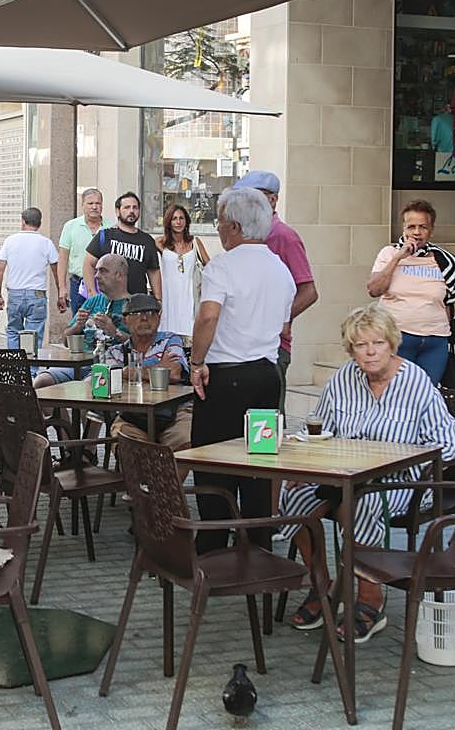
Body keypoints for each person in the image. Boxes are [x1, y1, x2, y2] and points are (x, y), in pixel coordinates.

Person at [278, 304, 455, 643]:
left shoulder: (416, 382)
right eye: (361, 345)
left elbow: (448, 445)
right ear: (351, 350)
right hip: (340, 475)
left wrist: (406, 461)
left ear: (392, 344)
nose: (371, 351)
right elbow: (319, 429)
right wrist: (303, 462)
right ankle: (322, 586)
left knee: (361, 503)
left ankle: (369, 596)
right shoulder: (344, 379)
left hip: (398, 483)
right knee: (293, 496)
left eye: (378, 343)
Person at [188, 187, 295, 553]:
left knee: (215, 461)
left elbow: (208, 316)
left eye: (219, 223)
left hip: (226, 375)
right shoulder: (280, 269)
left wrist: (196, 361)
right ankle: (258, 540)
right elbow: (283, 327)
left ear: (233, 226)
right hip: (265, 375)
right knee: (259, 461)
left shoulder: (222, 266)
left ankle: (214, 541)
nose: (218, 230)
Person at [366, 200, 455, 387]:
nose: (417, 233)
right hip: (397, 337)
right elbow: (374, 289)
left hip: (435, 340)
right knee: (396, 393)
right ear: (403, 228)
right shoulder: (389, 253)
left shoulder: (442, 258)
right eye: (411, 227)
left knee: (425, 394)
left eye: (423, 227)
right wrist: (398, 257)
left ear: (431, 230)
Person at [233, 171, 318, 410]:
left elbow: (309, 291)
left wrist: (280, 318)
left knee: (266, 420)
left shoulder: (283, 236)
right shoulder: (245, 235)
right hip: (244, 343)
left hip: (272, 346)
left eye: (251, 198)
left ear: (272, 200)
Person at [104, 293, 192, 452]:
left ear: (159, 317)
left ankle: (164, 478)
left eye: (151, 313)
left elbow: (173, 374)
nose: (144, 318)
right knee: (125, 444)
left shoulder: (170, 340)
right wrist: (158, 368)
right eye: (136, 314)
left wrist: (130, 372)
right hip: (133, 416)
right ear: (125, 320)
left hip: (175, 412)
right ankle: (145, 478)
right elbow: (107, 381)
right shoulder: (115, 352)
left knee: (184, 441)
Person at [34, 253, 132, 388]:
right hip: (78, 364)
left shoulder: (133, 305)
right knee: (41, 382)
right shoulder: (93, 301)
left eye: (103, 271)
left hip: (109, 366)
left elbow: (140, 345)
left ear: (119, 275)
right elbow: (65, 341)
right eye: (96, 271)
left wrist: (114, 332)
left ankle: (81, 409)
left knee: (85, 389)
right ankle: (60, 410)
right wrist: (77, 326)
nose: (96, 276)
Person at [0, 207, 63, 350]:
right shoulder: (46, 243)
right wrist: (61, 292)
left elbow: (0, 269)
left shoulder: (10, 241)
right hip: (37, 295)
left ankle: (15, 368)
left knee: (13, 331)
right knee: (33, 335)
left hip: (15, 294)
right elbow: (57, 271)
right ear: (39, 223)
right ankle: (31, 370)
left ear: (23, 222)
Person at [83, 191, 161, 301]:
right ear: (117, 211)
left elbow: (153, 271)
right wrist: (92, 293)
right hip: (108, 302)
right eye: (127, 207)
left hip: (137, 303)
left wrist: (158, 299)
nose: (131, 211)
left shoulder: (147, 241)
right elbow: (88, 264)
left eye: (135, 208)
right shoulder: (105, 236)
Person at [155, 203, 210, 338]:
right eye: (174, 218)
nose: (178, 222)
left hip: (190, 294)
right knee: (168, 336)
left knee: (191, 335)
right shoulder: (159, 243)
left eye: (181, 218)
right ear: (169, 222)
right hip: (169, 296)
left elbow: (211, 267)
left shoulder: (195, 242)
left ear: (186, 221)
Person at [58, 188, 113, 313]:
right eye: (90, 203)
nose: (94, 207)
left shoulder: (111, 228)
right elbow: (62, 259)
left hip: (105, 285)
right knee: (78, 324)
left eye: (98, 203)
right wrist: (62, 287)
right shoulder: (70, 227)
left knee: (104, 323)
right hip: (78, 285)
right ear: (82, 205)